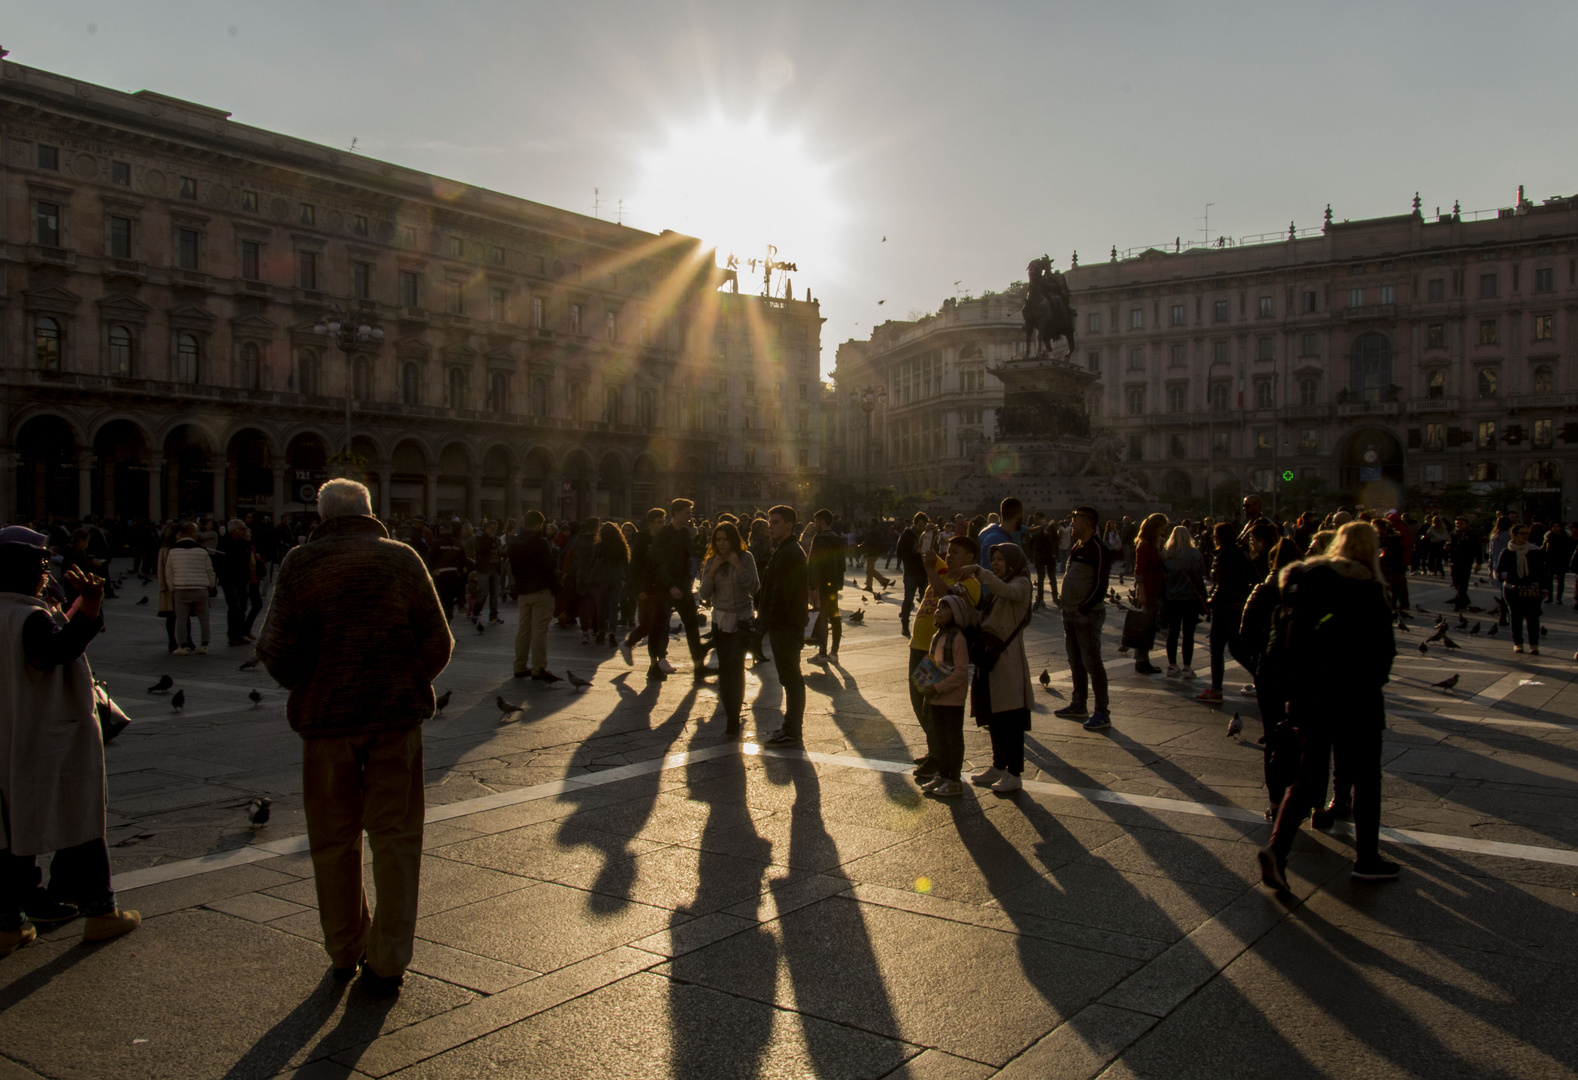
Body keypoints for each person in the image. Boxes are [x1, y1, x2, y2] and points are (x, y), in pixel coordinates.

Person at [255, 478, 453, 996]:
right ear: (370, 511)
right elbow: (439, 639)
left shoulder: (302, 564)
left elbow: (275, 648)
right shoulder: (402, 558)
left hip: (326, 726)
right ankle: (388, 961)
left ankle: (346, 950)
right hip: (393, 720)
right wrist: (406, 681)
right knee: (396, 839)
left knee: (332, 840)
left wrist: (314, 684)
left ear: (322, 515)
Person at [0, 529, 140, 955]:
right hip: (48, 735)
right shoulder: (29, 617)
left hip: (10, 734)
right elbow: (53, 652)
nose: (47, 576)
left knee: (10, 830)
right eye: (42, 569)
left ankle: (8, 925)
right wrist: (89, 611)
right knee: (80, 816)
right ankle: (101, 912)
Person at [1258, 521, 1398, 889]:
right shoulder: (1367, 588)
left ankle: (1276, 849)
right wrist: (1370, 685)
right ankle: (1367, 860)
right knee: (1366, 778)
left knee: (1307, 778)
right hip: (1357, 701)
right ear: (1371, 550)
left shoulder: (1307, 583)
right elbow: (1383, 652)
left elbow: (1278, 644)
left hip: (1308, 698)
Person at [909, 532, 983, 784]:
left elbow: (947, 598)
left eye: (956, 553)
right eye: (948, 552)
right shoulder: (944, 570)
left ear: (970, 557)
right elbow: (929, 555)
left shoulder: (970, 582)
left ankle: (939, 758)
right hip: (922, 646)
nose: (949, 556)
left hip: (941, 653)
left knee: (932, 704)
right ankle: (935, 750)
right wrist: (928, 546)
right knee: (919, 699)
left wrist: (931, 570)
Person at [965, 543, 1036, 791]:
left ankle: (1014, 773)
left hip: (1007, 661)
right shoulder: (996, 589)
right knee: (994, 718)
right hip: (989, 659)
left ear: (1013, 562)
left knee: (1011, 719)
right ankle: (998, 765)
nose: (995, 563)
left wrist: (978, 570)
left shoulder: (1021, 584)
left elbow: (1007, 591)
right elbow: (984, 620)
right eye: (993, 559)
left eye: (1000, 560)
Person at [698, 521, 759, 740]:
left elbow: (754, 587)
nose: (722, 544)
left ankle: (734, 717)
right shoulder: (712, 561)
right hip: (720, 619)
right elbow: (704, 595)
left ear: (733, 540)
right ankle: (730, 714)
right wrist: (713, 571)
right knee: (725, 667)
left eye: (726, 539)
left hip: (742, 619)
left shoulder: (746, 557)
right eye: (718, 540)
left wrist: (739, 567)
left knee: (736, 666)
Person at [1054, 506, 1113, 730]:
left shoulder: (1098, 548)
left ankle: (1102, 712)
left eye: (1075, 520)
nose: (1072, 524)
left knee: (1093, 663)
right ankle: (1079, 704)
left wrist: (1084, 608)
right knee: (1075, 661)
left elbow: (1101, 584)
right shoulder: (1078, 547)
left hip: (1086, 615)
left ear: (1088, 523)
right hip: (1070, 612)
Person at [758, 505, 808, 746]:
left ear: (789, 524)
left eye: (776, 522)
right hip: (785, 624)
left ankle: (792, 730)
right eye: (770, 521)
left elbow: (781, 593)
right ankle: (791, 728)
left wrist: (766, 621)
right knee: (790, 678)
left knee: (791, 679)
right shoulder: (786, 550)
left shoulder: (789, 553)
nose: (771, 525)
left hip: (786, 625)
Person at [916, 593, 972, 798]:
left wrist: (937, 688)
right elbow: (930, 663)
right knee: (939, 737)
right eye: (938, 607)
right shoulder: (936, 637)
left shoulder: (958, 639)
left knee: (952, 738)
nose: (938, 611)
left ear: (955, 614)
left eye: (944, 608)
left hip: (952, 699)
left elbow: (960, 673)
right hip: (936, 698)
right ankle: (942, 774)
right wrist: (923, 684)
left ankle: (954, 779)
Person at [1196, 523, 1256, 705]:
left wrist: (1209, 601)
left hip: (1223, 608)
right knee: (1237, 650)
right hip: (1238, 607)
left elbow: (1221, 585)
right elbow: (1253, 579)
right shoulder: (1242, 555)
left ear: (1219, 537)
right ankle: (1261, 677)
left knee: (1217, 650)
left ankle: (1216, 690)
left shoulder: (1221, 557)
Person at [649, 499, 709, 682]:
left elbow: (687, 559)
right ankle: (653, 666)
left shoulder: (685, 533)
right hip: (664, 588)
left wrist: (685, 584)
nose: (690, 516)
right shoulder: (663, 534)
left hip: (681, 587)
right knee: (658, 626)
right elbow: (659, 563)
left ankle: (699, 666)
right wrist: (670, 585)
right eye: (687, 513)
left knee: (691, 625)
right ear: (676, 513)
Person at [508, 511, 561, 681]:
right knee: (539, 630)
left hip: (523, 591)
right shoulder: (540, 543)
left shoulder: (514, 542)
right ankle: (539, 667)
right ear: (539, 524)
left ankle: (520, 665)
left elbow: (513, 567)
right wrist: (556, 588)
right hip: (540, 590)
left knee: (523, 630)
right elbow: (549, 567)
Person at [620, 508, 666, 667]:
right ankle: (628, 644)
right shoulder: (642, 540)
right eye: (660, 522)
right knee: (647, 624)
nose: (663, 524)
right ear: (651, 524)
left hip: (659, 587)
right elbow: (634, 567)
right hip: (645, 589)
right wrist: (639, 589)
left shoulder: (664, 538)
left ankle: (660, 658)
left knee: (660, 623)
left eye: (664, 521)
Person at [1161, 525, 1206, 678]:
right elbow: (1201, 576)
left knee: (1173, 632)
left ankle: (1172, 666)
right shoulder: (1195, 553)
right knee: (1188, 634)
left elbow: (1164, 578)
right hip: (1191, 598)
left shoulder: (1167, 554)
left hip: (1172, 598)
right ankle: (1187, 667)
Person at [166, 521, 217, 655]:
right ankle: (204, 644)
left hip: (181, 587)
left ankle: (183, 646)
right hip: (200, 588)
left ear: (180, 534)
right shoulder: (202, 550)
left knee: (181, 618)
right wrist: (211, 585)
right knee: (204, 618)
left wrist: (172, 588)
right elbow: (209, 570)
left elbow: (169, 572)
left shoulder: (172, 551)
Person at [1497, 524, 1545, 655]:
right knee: (1516, 617)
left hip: (1532, 589)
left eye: (1526, 533)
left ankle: (1534, 644)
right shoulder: (1507, 552)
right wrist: (1510, 576)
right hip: (1513, 589)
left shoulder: (1534, 551)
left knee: (1533, 617)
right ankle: (1518, 643)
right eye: (1522, 533)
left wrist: (1544, 587)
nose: (1525, 536)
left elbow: (1542, 571)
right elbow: (1500, 572)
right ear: (1514, 535)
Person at [1130, 512, 1169, 675]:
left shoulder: (1153, 543)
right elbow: (1138, 571)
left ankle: (1144, 659)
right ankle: (1141, 660)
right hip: (1150, 588)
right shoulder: (1144, 545)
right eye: (1162, 528)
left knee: (1150, 626)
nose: (1164, 531)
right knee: (1146, 626)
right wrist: (1142, 592)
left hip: (1156, 587)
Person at [808, 509, 846, 663]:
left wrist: (811, 586)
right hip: (834, 583)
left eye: (816, 521)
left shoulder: (819, 539)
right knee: (835, 615)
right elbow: (842, 564)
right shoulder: (838, 539)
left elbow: (814, 564)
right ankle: (834, 653)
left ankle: (822, 653)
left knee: (823, 616)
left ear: (822, 521)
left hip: (822, 583)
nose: (815, 524)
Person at [589, 522, 629, 649]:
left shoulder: (599, 546)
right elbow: (625, 564)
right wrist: (625, 578)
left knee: (601, 605)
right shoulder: (621, 546)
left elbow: (592, 563)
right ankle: (612, 632)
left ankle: (601, 630)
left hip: (601, 579)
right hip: (616, 579)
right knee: (613, 605)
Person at [216, 519, 256, 647]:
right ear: (234, 531)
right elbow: (219, 562)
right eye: (242, 529)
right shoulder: (224, 544)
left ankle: (240, 633)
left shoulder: (245, 543)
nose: (245, 531)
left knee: (243, 606)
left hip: (242, 578)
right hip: (229, 579)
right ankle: (233, 635)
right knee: (234, 606)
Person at [896, 512, 929, 638]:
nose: (922, 528)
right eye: (920, 526)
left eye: (924, 526)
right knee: (908, 599)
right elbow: (900, 553)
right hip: (911, 572)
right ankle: (905, 626)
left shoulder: (927, 535)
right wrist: (915, 552)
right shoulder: (907, 535)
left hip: (923, 571)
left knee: (925, 600)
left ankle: (922, 625)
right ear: (915, 524)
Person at [474, 519, 506, 625]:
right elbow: (481, 550)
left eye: (496, 529)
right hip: (484, 569)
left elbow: (499, 552)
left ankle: (493, 615)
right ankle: (476, 612)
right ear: (487, 529)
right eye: (492, 529)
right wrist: (489, 540)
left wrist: (503, 551)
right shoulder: (480, 538)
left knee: (494, 594)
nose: (494, 531)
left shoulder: (497, 539)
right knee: (483, 592)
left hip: (495, 569)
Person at [1447, 516, 1482, 612]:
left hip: (1466, 561)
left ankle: (1459, 603)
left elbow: (1478, 549)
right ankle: (1465, 599)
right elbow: (1449, 544)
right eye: (1457, 523)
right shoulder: (1453, 534)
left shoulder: (1471, 535)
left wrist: (1479, 562)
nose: (1458, 525)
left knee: (1463, 583)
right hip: (1454, 561)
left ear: (1466, 524)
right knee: (1455, 582)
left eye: (1461, 523)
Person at [1542, 521, 1574, 605]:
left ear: (1560, 527)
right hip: (1550, 561)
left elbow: (1569, 550)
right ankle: (1550, 597)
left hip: (1561, 561)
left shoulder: (1565, 537)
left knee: (1560, 580)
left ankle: (1559, 598)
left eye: (1557, 526)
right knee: (1549, 581)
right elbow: (1544, 548)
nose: (1555, 528)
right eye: (1553, 526)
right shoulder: (1549, 536)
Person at [861, 517, 893, 592]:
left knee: (870, 569)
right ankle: (869, 586)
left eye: (870, 521)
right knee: (869, 569)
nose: (869, 522)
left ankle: (884, 581)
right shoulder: (876, 531)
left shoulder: (872, 532)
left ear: (873, 523)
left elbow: (870, 543)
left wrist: (864, 547)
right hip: (874, 552)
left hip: (872, 552)